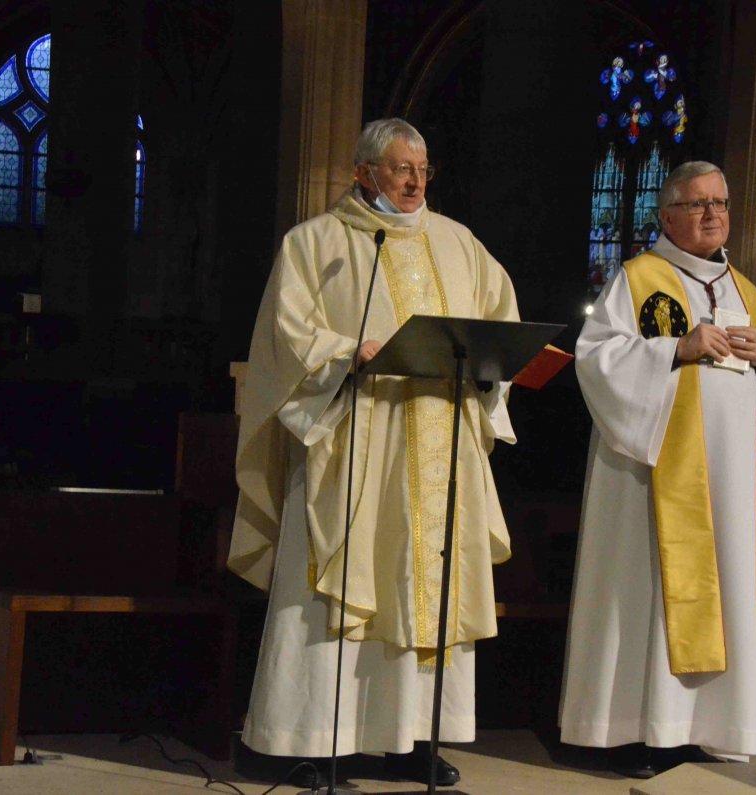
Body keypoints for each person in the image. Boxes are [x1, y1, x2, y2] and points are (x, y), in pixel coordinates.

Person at [227, 118, 519, 789]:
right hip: (356, 441)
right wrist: (343, 353)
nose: (415, 182)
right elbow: (286, 336)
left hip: (441, 441)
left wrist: (490, 365)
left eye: (422, 169)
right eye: (398, 168)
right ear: (362, 173)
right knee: (339, 582)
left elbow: (498, 322)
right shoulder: (316, 245)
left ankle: (412, 737)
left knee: (429, 586)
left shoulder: (459, 244)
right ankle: (309, 740)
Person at [559, 161, 756, 777]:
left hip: (726, 482)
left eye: (720, 202)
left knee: (722, 588)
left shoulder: (747, 292)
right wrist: (676, 348)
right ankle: (637, 729)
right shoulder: (638, 279)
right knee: (645, 591)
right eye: (697, 205)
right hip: (652, 475)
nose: (713, 214)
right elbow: (597, 357)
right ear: (666, 215)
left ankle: (701, 726)